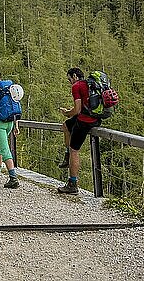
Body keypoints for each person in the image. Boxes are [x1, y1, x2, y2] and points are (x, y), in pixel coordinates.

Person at [58, 67, 100, 195]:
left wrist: (67, 112)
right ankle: (67, 155)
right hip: (95, 119)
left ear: (75, 76)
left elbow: (77, 110)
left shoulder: (76, 86)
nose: (70, 82)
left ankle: (73, 184)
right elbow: (82, 106)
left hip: (84, 121)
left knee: (74, 151)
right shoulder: (89, 84)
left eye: (69, 79)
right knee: (66, 125)